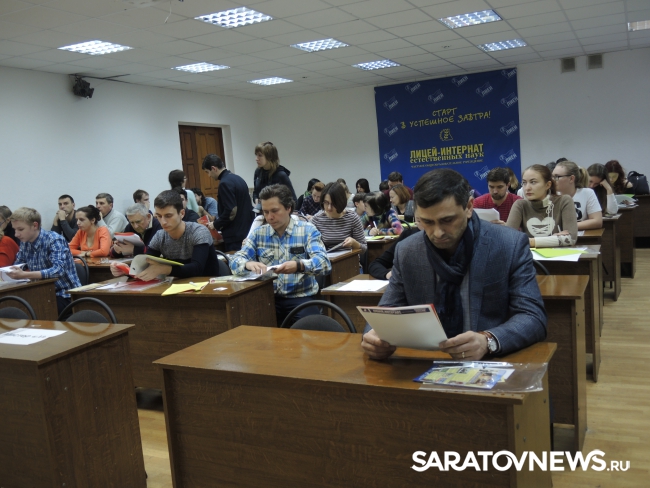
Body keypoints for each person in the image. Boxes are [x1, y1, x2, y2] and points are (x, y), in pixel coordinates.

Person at [361, 169, 547, 360]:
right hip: (425, 362)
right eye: (427, 222)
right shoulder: (408, 250)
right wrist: (374, 337)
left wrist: (488, 340)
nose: (437, 233)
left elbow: (532, 317)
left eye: (447, 220)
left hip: (489, 362)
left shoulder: (509, 244)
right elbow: (385, 312)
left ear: (469, 207)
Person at [230, 184, 331, 326]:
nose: (269, 217)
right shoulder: (259, 233)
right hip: (267, 298)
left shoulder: (307, 230)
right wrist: (247, 264)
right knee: (247, 325)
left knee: (310, 329)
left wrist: (299, 265)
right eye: (265, 212)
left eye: (274, 211)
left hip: (301, 298)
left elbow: (324, 263)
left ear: (288, 208)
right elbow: (234, 260)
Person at [110, 190, 220, 280]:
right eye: (159, 216)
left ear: (182, 213)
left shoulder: (198, 231)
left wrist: (165, 269)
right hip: (178, 287)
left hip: (208, 286)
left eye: (168, 216)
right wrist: (127, 270)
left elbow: (197, 268)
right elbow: (146, 264)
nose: (163, 222)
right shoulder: (160, 236)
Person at [5, 207, 81, 315]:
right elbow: (19, 264)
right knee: (12, 307)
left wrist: (25, 275)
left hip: (65, 295)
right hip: (40, 292)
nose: (16, 234)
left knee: (32, 312)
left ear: (35, 225)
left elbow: (58, 270)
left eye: (20, 229)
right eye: (15, 230)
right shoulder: (25, 242)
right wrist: (10, 272)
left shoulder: (54, 239)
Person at [506, 164, 577, 247]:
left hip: (559, 254)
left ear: (548, 185)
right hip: (529, 255)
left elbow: (571, 239)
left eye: (533, 182)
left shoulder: (564, 201)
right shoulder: (520, 205)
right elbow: (508, 239)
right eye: (524, 183)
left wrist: (528, 241)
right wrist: (554, 239)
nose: (527, 188)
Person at [202, 153, 254, 252]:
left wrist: (216, 224)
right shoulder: (238, 178)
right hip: (247, 230)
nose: (209, 176)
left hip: (235, 235)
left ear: (213, 168)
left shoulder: (224, 183)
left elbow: (231, 211)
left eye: (207, 172)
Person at [311, 182, 367, 253]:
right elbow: (311, 247)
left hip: (349, 257)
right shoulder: (317, 219)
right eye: (326, 202)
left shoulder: (352, 218)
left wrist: (354, 243)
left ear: (340, 202)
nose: (329, 207)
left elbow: (364, 248)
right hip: (327, 258)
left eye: (333, 204)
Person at [553, 160, 603, 230]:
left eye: (557, 176)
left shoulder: (587, 193)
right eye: (552, 176)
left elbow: (597, 221)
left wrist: (568, 227)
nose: (553, 180)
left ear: (571, 179)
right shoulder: (551, 195)